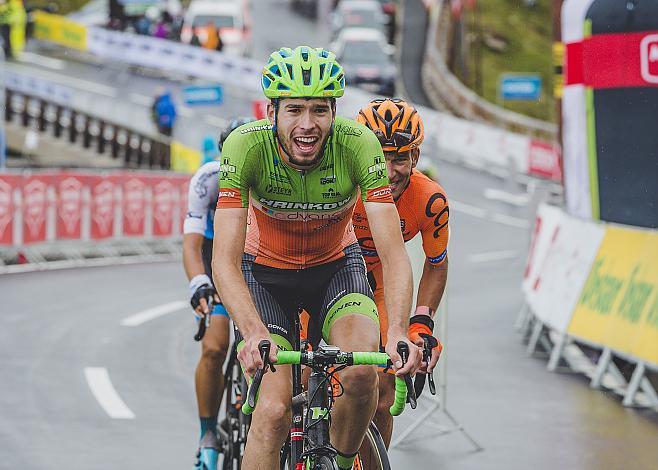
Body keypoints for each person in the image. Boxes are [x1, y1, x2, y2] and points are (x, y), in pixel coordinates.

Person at [212, 46, 422, 470]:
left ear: (333, 111)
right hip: (264, 276)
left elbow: (393, 255)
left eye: (320, 110)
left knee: (362, 374)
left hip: (335, 269)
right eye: (294, 110)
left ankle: (342, 464)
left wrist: (399, 328)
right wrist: (252, 332)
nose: (307, 125)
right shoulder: (245, 147)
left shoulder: (358, 145)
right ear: (272, 111)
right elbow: (224, 262)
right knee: (271, 414)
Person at [352, 98, 449, 450]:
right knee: (293, 383)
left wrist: (420, 324)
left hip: (377, 283)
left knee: (384, 386)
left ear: (415, 159)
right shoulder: (340, 185)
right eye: (379, 156)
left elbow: (436, 264)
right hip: (325, 272)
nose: (389, 170)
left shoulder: (429, 200)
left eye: (400, 158)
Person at [183, 117, 255, 470]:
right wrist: (199, 282)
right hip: (218, 264)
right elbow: (193, 245)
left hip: (257, 266)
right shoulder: (208, 180)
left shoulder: (269, 175)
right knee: (214, 347)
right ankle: (207, 434)